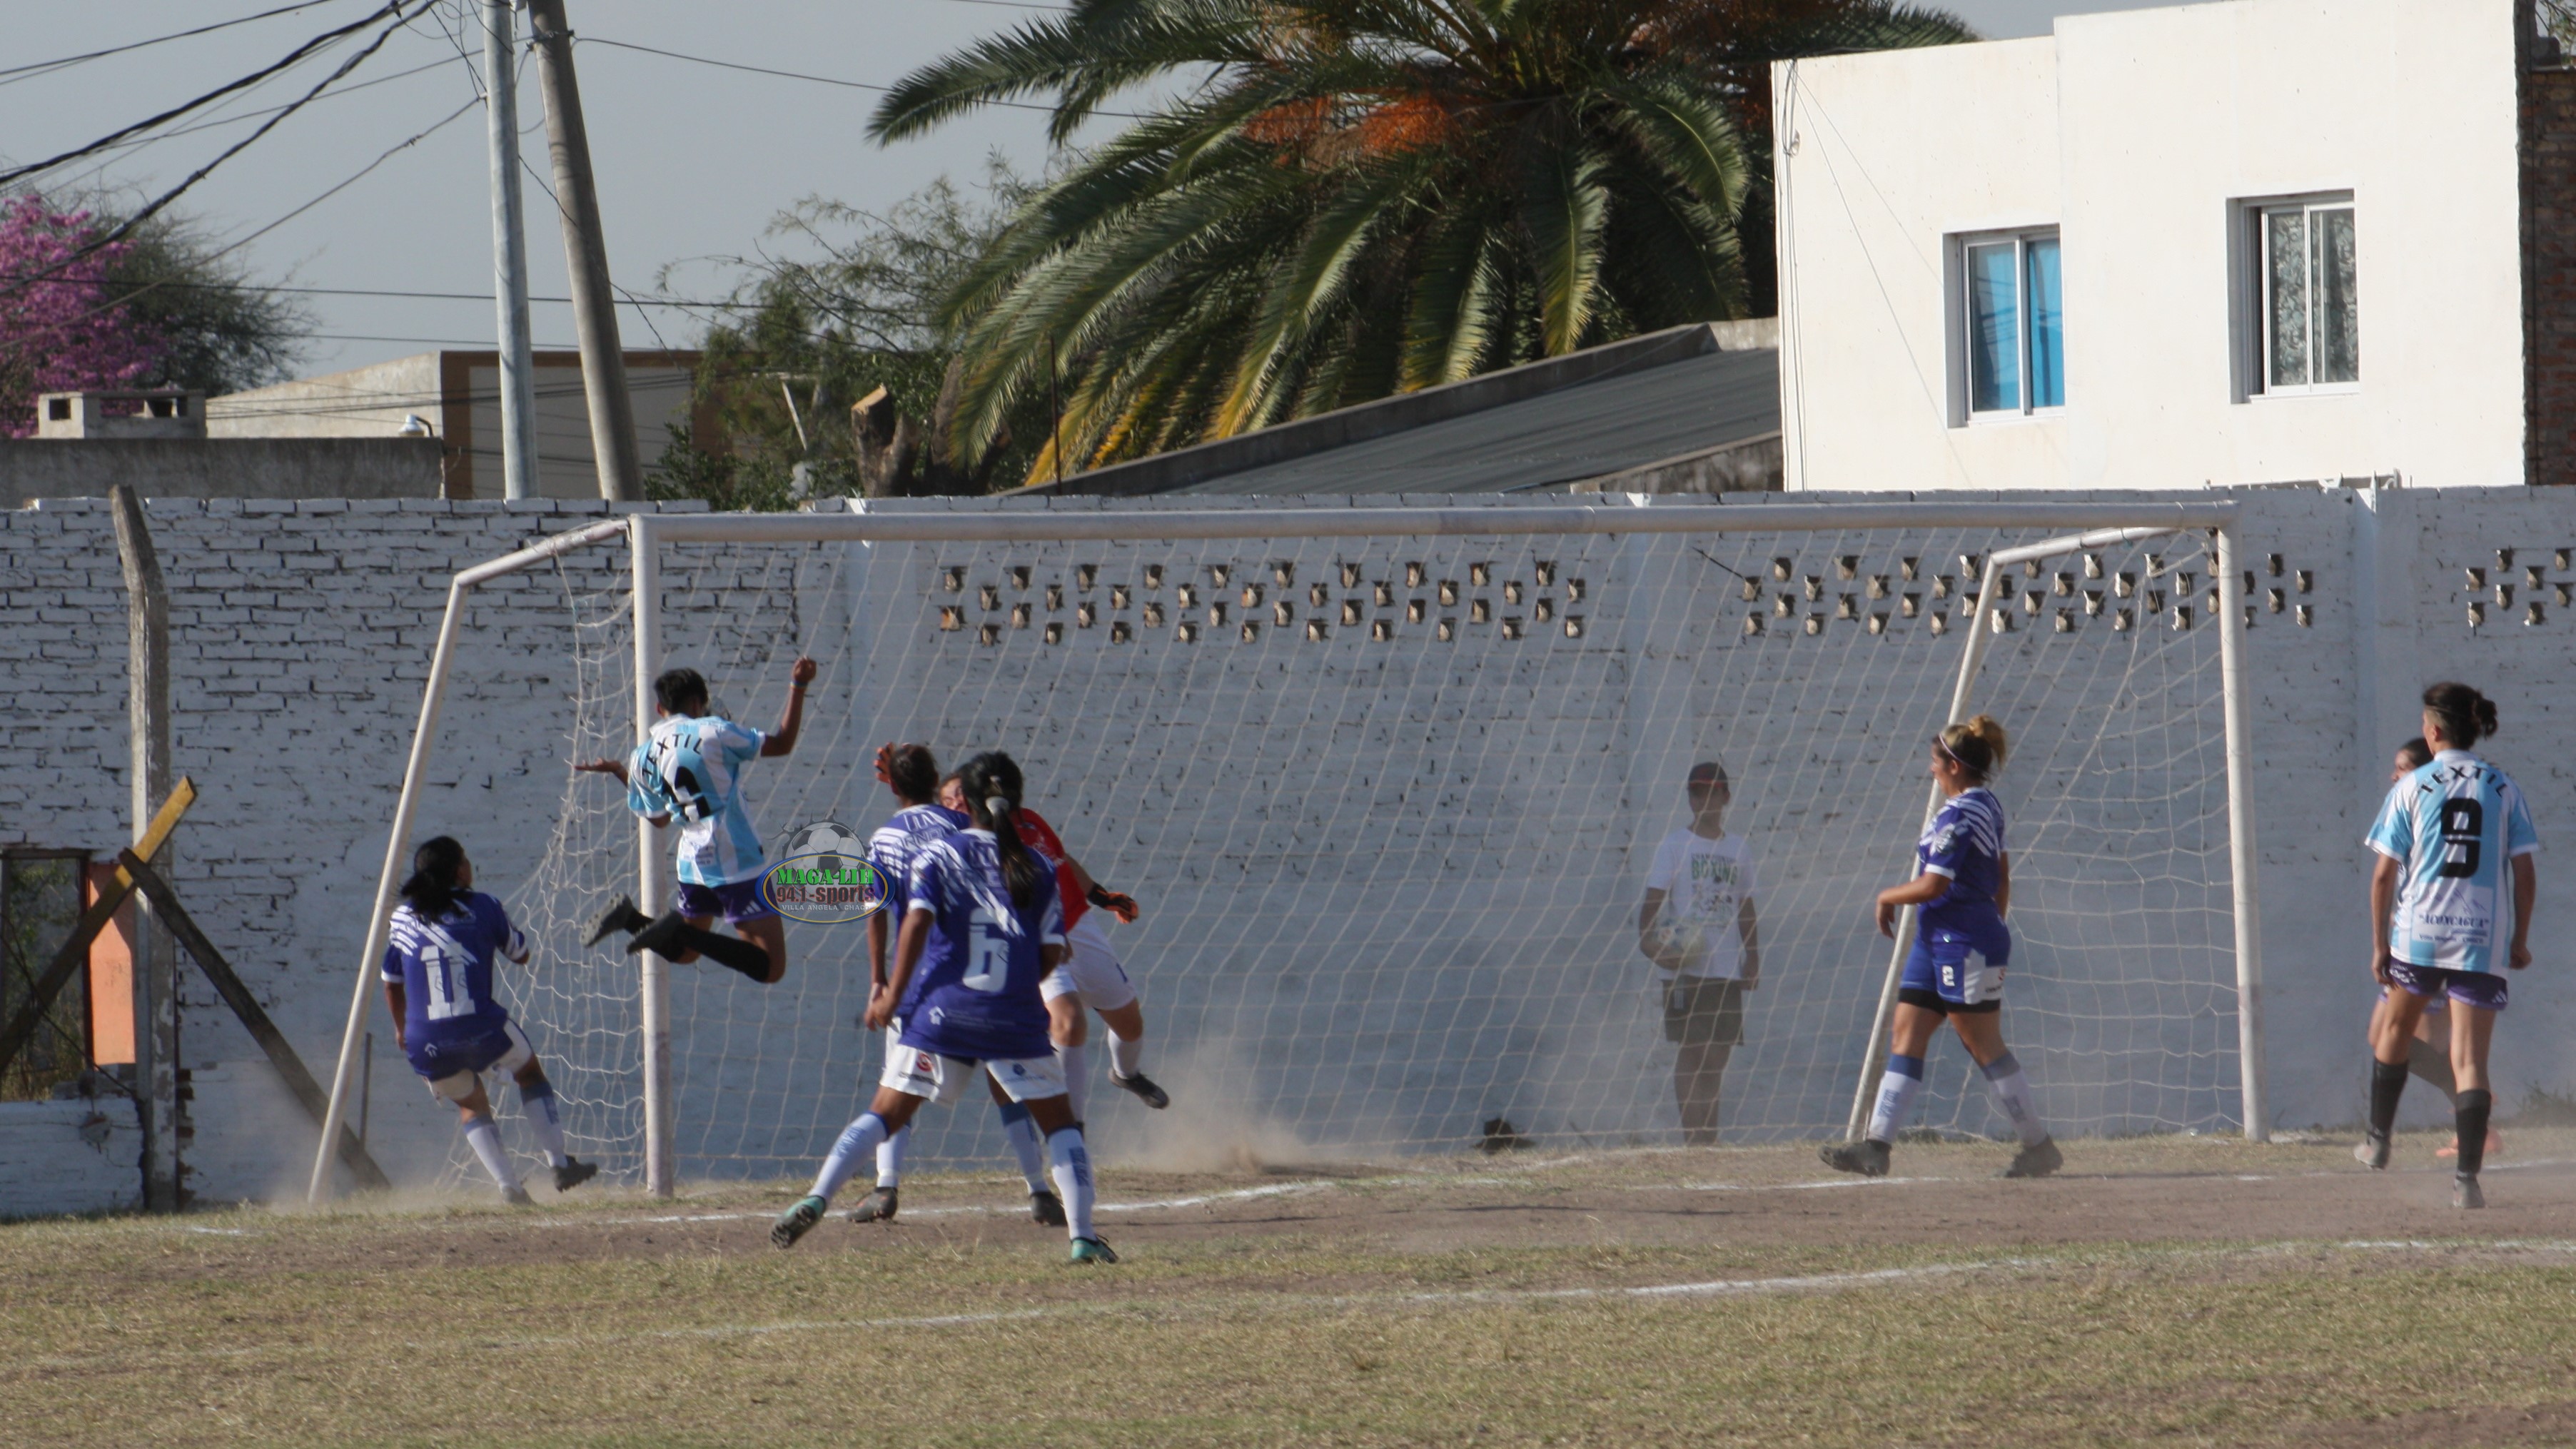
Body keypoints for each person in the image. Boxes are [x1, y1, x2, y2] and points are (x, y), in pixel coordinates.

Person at [773, 752, 1116, 1263]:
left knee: (884, 1113)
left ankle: (818, 1195)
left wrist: (890, 992)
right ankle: (1083, 1237)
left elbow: (913, 925)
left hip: (941, 1013)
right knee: (1062, 1126)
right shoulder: (1037, 866)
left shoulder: (938, 855)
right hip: (1013, 1019)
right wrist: (1020, 987)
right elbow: (1049, 954)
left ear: (965, 801)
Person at [1822, 716, 2062, 1180]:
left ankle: (2039, 1147)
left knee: (1982, 1045)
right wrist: (1993, 923)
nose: (1929, 768)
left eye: (1935, 761)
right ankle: (1876, 1148)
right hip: (1937, 942)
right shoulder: (1983, 804)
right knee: (1905, 1035)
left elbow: (1933, 885)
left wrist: (1884, 896)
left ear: (1953, 766)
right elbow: (2001, 875)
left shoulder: (1959, 816)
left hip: (1961, 943)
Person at [846, 744, 1062, 1228]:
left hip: (921, 983)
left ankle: (886, 1186)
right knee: (1007, 1086)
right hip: (982, 976)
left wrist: (880, 981)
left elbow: (874, 910)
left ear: (894, 787)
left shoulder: (884, 837)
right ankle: (1039, 1189)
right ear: (938, 782)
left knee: (897, 1086)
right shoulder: (964, 827)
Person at [2356, 683, 2540, 1210]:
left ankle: (2378, 1140)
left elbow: (2382, 876)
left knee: (2392, 1029)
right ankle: (2466, 1183)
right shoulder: (2503, 788)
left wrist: (2378, 946)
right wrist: (2518, 939)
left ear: (2432, 731)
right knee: (2468, 1060)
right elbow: (2523, 873)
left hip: (2418, 934)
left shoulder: (2412, 785)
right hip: (2480, 938)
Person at [381, 836, 597, 1204]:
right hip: (480, 1025)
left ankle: (510, 1189)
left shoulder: (403, 916)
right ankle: (560, 1163)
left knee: (471, 1104)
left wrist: (401, 1028)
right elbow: (521, 955)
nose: (471, 867)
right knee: (528, 1072)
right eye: (466, 860)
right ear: (457, 870)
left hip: (425, 1040)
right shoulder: (484, 906)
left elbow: (392, 980)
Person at [577, 659, 817, 984]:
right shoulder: (715, 730)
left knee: (686, 954)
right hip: (736, 860)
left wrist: (622, 772)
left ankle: (630, 919)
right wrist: (798, 686)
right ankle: (677, 929)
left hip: (692, 864)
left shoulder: (640, 757)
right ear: (696, 703)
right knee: (771, 968)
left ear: (660, 708)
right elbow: (783, 743)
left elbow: (659, 821)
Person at [992, 755, 1163, 1121]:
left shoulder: (1032, 821)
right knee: (1068, 1023)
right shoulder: (981, 840)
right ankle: (1069, 1129)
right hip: (1038, 938)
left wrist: (1102, 897)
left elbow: (1061, 859)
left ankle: (1126, 1075)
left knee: (1130, 1023)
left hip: (1079, 928)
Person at [2362, 737, 2502, 1162]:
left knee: (2432, 1044)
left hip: (2432, 947)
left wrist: (2386, 938)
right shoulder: (2415, 811)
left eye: (2402, 768)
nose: (2395, 776)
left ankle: (2476, 1123)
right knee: (2388, 1037)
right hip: (2422, 943)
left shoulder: (2421, 806)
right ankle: (2475, 1113)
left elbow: (2389, 877)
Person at [1637, 760, 1759, 1145]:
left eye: (1711, 790)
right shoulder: (1675, 846)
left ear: (1725, 796)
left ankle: (1710, 1139)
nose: (1703, 798)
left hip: (1725, 968)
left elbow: (1745, 907)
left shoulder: (1738, 849)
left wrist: (1753, 957)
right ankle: (1694, 1141)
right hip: (1686, 968)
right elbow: (1652, 904)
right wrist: (1651, 945)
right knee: (1694, 1052)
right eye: (1695, 791)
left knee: (1717, 1057)